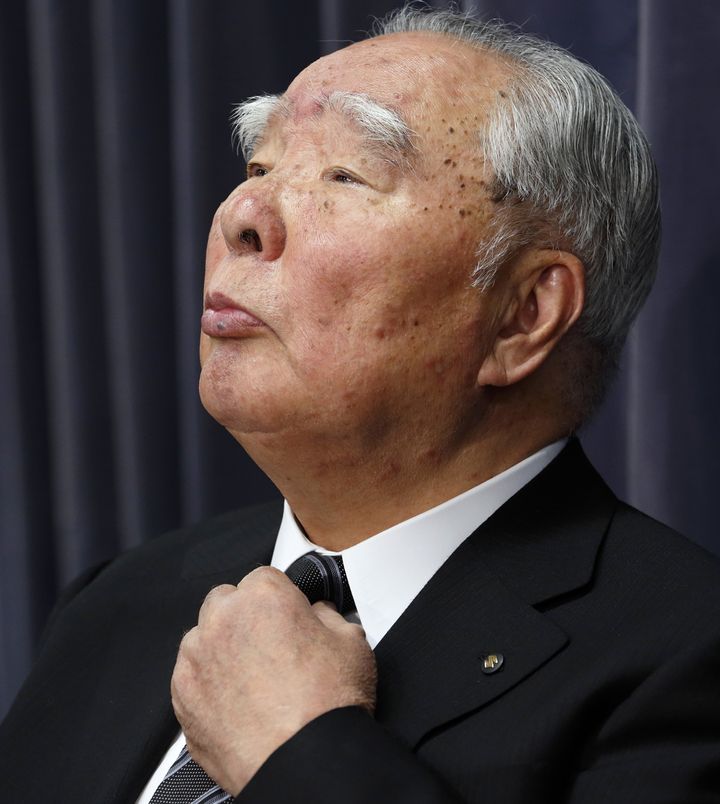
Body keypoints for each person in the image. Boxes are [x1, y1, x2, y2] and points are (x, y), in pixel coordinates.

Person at [1, 6, 719, 803]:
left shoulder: (684, 657)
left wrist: (302, 753)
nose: (243, 216)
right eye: (260, 168)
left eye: (344, 175)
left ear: (524, 313)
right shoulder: (116, 602)